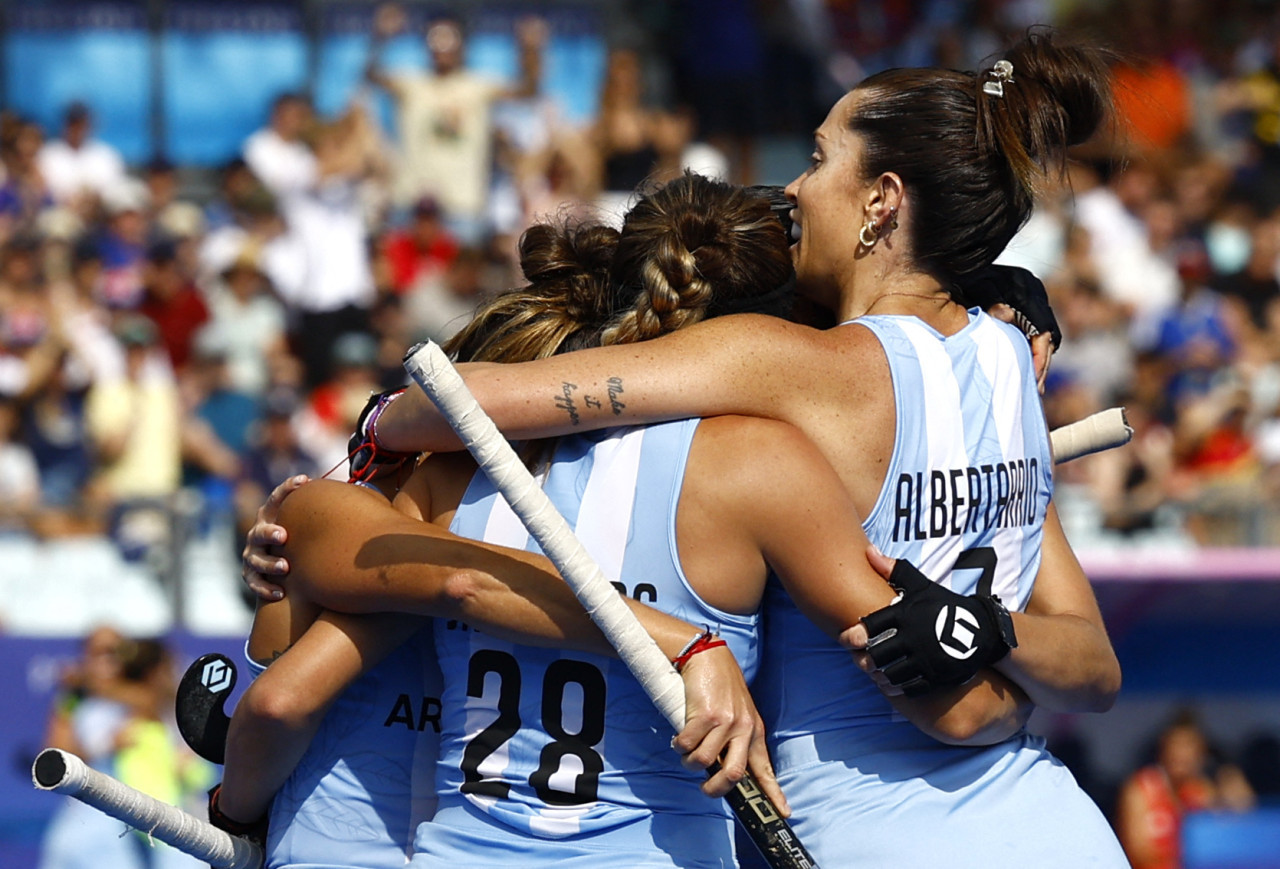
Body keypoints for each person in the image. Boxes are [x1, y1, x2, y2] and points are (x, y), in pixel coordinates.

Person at [348, 31, 1127, 867]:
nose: (797, 184)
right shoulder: (1015, 354)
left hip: (869, 830)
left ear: (882, 201)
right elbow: (1093, 668)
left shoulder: (796, 365)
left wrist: (374, 428)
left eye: (821, 157)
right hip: (1058, 823)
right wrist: (994, 633)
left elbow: (449, 408)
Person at [225, 175, 1032, 867]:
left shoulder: (456, 472)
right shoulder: (765, 467)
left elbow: (288, 695)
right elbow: (942, 694)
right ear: (771, 325)